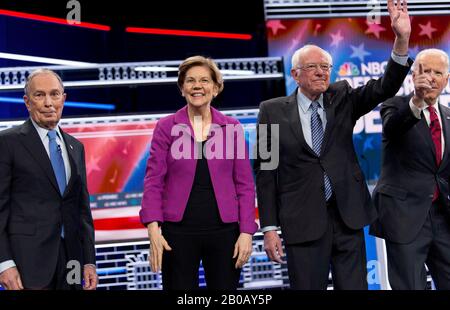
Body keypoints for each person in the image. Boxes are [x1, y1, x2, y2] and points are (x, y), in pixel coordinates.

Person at [254, 0, 412, 289]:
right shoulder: (271, 111)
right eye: (312, 67)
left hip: (347, 217)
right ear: (295, 74)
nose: (320, 72)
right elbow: (265, 172)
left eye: (325, 67)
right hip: (301, 221)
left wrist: (401, 39)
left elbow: (385, 86)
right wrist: (269, 228)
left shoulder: (343, 98)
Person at [139, 56, 258, 290]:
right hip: (177, 234)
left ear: (215, 88)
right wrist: (153, 228)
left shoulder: (231, 127)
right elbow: (153, 181)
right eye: (190, 80)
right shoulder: (166, 127)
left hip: (226, 233)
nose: (197, 86)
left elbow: (244, 185)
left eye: (204, 80)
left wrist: (247, 232)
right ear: (182, 88)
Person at [0, 69, 97, 290]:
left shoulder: (76, 147)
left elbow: (82, 210)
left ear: (63, 99)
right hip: (28, 261)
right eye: (39, 95)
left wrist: (89, 261)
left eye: (54, 94)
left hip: (72, 260)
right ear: (27, 101)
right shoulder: (8, 143)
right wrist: (3, 263)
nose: (48, 103)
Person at [370, 48, 450, 290]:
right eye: (426, 71)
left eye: (439, 72)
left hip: (443, 217)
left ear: (447, 79)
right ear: (413, 75)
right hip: (404, 217)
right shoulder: (394, 106)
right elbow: (393, 129)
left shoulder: (447, 116)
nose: (432, 78)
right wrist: (417, 99)